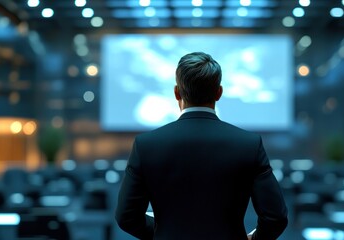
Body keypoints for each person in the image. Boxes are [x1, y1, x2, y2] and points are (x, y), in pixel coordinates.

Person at [115, 52, 288, 240]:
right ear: (219, 92)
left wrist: (161, 233)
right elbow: (275, 217)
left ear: (176, 93)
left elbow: (127, 217)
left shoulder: (146, 145)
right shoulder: (249, 143)